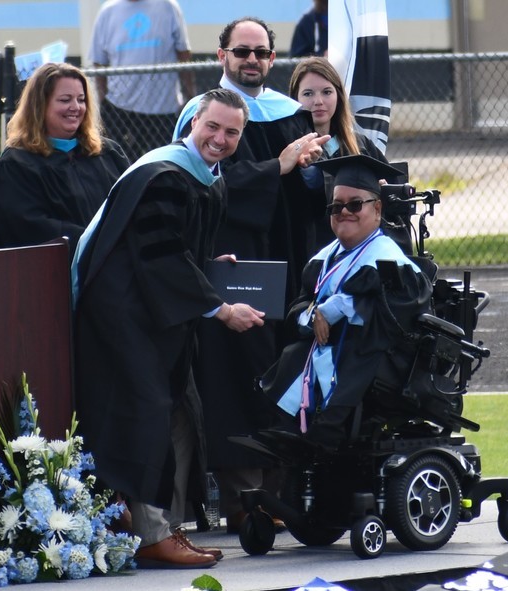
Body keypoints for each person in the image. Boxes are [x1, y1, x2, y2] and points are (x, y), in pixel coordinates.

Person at [73, 88, 265, 568]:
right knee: (146, 412)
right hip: (125, 313)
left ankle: (161, 528)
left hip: (154, 312)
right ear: (192, 122)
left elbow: (174, 249)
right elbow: (160, 257)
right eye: (212, 126)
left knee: (176, 409)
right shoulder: (164, 176)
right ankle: (150, 535)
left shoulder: (206, 178)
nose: (220, 139)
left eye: (232, 132)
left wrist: (209, 265)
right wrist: (220, 308)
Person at [173, 17, 329, 532]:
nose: (252, 60)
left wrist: (312, 173)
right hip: (233, 263)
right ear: (222, 55)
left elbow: (305, 199)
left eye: (261, 52)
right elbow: (201, 184)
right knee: (236, 376)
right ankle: (243, 500)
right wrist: (276, 168)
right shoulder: (204, 115)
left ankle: (280, 496)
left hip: (286, 259)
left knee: (285, 371)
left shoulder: (290, 114)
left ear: (272, 58)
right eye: (242, 51)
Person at [261, 155, 433, 449]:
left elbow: (393, 316)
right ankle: (286, 427)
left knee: (355, 349)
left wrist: (335, 309)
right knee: (292, 353)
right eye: (336, 206)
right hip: (325, 353)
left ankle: (325, 433)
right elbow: (297, 309)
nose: (344, 212)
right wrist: (314, 314)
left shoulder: (391, 263)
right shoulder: (321, 261)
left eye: (355, 205)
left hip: (375, 363)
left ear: (377, 209)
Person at [0, 62, 130, 255]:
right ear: (40, 105)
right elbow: (31, 228)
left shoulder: (108, 153)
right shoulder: (16, 166)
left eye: (81, 100)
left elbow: (131, 205)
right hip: (60, 268)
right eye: (65, 100)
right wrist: (98, 240)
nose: (76, 107)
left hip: (116, 263)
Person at [289, 56, 389, 250]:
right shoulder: (288, 150)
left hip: (361, 249)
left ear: (339, 96)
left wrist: (381, 191)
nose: (318, 101)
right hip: (309, 250)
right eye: (308, 93)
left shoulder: (359, 145)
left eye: (327, 92)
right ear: (295, 99)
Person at [90, 0, 196, 162]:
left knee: (164, 165)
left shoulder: (167, 6)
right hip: (120, 109)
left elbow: (183, 54)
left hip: (163, 111)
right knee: (120, 164)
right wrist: (102, 99)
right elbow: (99, 61)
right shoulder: (107, 11)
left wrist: (190, 97)